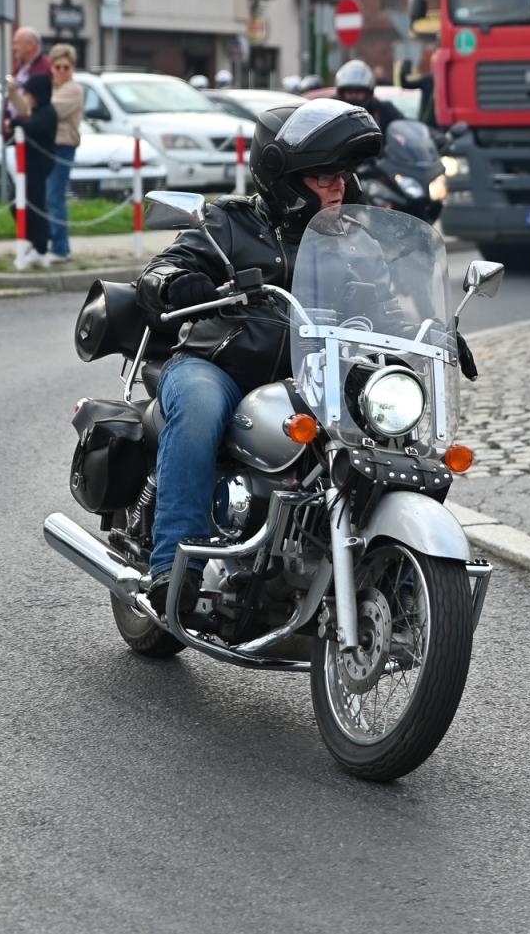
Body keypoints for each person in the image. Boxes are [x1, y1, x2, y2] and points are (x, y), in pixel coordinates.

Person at [132, 99, 384, 599]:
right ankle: (172, 570)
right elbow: (159, 269)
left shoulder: (357, 241)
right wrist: (175, 284)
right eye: (324, 176)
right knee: (200, 409)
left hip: (313, 375)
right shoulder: (229, 224)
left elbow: (386, 300)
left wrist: (430, 330)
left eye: (344, 175)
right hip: (220, 365)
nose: (340, 185)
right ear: (285, 179)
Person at [11, 73, 57, 270]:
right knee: (18, 204)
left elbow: (34, 127)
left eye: (29, 93)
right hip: (30, 166)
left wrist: (16, 123)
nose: (26, 96)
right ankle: (34, 242)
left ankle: (40, 248)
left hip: (39, 166)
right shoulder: (37, 111)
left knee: (35, 206)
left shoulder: (47, 113)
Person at [44, 44, 83, 263]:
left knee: (55, 197)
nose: (61, 71)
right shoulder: (52, 87)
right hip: (47, 146)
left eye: (65, 67)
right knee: (46, 197)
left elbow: (50, 111)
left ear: (72, 68)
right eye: (57, 67)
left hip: (63, 146)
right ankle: (51, 243)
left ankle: (60, 247)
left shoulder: (72, 89)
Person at [4, 26, 50, 135]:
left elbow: (30, 107)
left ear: (31, 46)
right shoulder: (20, 68)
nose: (13, 48)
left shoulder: (45, 69)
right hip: (16, 133)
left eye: (17, 43)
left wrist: (16, 123)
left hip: (32, 135)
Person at [334, 59, 401, 130]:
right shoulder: (333, 110)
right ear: (341, 93)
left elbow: (404, 127)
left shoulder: (383, 109)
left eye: (358, 92)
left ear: (368, 92)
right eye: (349, 92)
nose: (354, 96)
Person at [397, 55, 437, 128]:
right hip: (425, 125)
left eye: (435, 64)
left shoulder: (447, 82)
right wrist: (403, 72)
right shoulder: (427, 81)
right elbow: (405, 85)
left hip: (441, 126)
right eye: (432, 64)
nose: (433, 67)